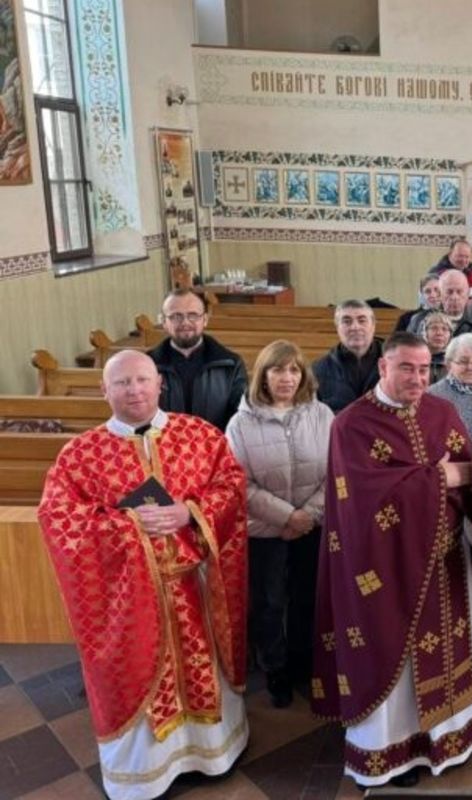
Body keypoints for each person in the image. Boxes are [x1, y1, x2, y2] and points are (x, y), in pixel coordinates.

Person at [39, 350, 248, 800]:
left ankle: (211, 753)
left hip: (194, 585)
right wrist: (128, 525)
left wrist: (188, 513)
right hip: (126, 599)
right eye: (122, 383)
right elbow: (58, 518)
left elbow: (230, 484)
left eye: (142, 380)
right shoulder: (79, 455)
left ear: (160, 385)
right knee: (137, 672)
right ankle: (146, 773)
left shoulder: (200, 435)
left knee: (201, 665)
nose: (134, 390)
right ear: (104, 390)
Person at [312, 332, 472, 789]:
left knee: (452, 644)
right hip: (384, 567)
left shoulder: (442, 411)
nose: (417, 378)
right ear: (383, 368)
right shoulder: (351, 425)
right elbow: (365, 503)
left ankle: (450, 734)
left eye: (425, 369)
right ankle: (397, 748)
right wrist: (442, 477)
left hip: (448, 558)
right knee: (394, 651)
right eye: (407, 368)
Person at [226, 340, 332, 708]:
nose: (286, 378)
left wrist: (307, 516)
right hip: (265, 530)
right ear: (263, 375)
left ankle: (305, 660)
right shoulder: (240, 423)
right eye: (277, 370)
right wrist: (287, 517)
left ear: (303, 375)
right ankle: (276, 669)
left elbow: (336, 471)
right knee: (269, 602)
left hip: (312, 526)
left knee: (308, 597)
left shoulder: (321, 415)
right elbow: (239, 481)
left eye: (293, 370)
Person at [148, 289, 248, 430]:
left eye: (193, 315)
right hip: (163, 448)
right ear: (164, 321)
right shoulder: (147, 365)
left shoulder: (230, 364)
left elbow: (240, 416)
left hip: (216, 447)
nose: (185, 322)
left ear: (205, 320)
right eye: (176, 316)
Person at [314, 300, 383, 414]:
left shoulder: (394, 363)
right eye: (347, 321)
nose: (355, 327)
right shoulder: (319, 369)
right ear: (337, 327)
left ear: (373, 325)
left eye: (362, 320)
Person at [403, 270, 472, 339]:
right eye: (449, 292)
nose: (454, 297)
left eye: (459, 292)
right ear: (440, 294)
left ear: (467, 294)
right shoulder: (419, 321)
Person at [419, 312, 453, 384]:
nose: (439, 333)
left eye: (444, 329)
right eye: (434, 328)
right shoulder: (417, 359)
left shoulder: (455, 362)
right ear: (425, 333)